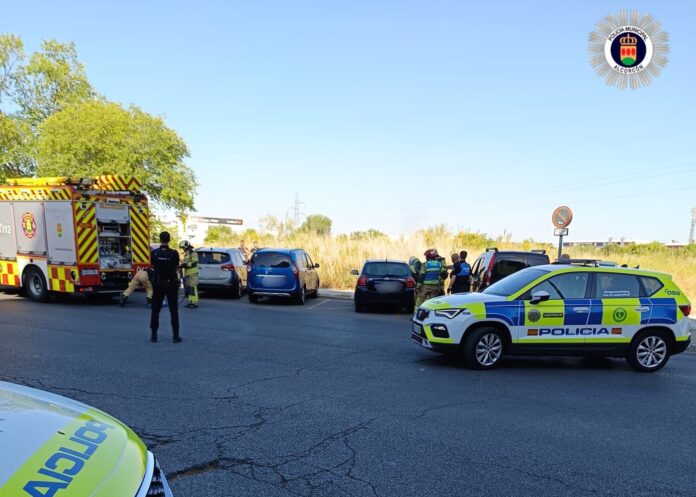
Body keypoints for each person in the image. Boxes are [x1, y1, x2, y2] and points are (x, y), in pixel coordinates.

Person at [150, 232, 181, 343]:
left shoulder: (154, 253)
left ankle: (154, 336)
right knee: (174, 311)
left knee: (155, 311)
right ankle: (175, 337)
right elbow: (176, 266)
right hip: (171, 285)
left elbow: (152, 266)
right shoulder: (174, 253)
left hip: (158, 284)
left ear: (160, 239)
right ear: (169, 240)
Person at [179, 240, 199, 309]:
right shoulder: (187, 254)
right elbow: (185, 262)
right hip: (188, 274)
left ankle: (195, 303)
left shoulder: (193, 253)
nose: (182, 249)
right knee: (190, 288)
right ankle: (191, 302)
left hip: (193, 273)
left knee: (193, 288)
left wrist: (186, 265)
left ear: (186, 246)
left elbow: (194, 263)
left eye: (183, 247)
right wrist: (181, 265)